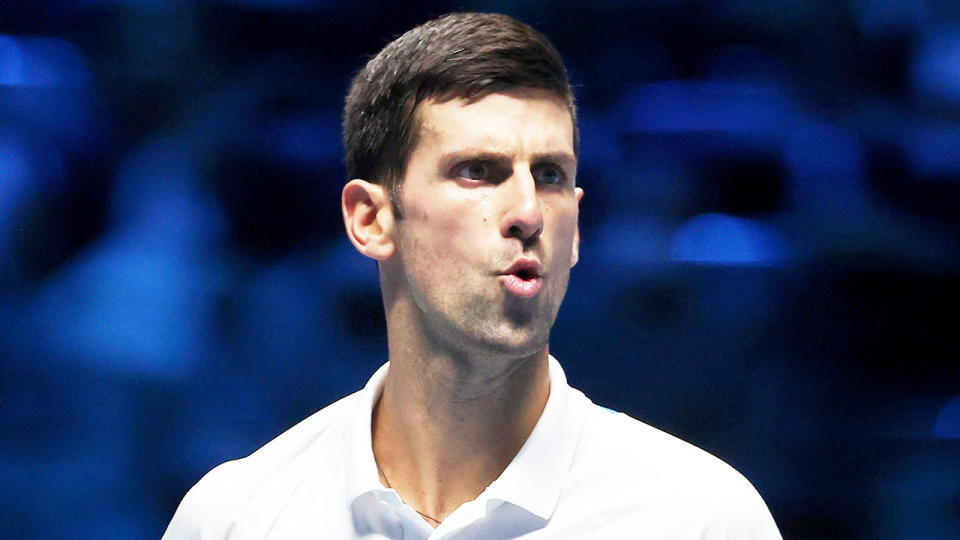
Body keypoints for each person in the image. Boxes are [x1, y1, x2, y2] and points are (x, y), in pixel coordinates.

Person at [164, 12, 782, 539]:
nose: (528, 213)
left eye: (550, 176)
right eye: (478, 172)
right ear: (372, 220)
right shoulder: (235, 520)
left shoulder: (699, 520)